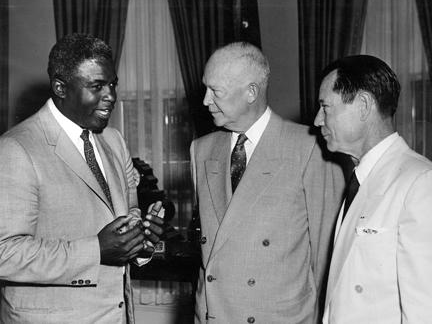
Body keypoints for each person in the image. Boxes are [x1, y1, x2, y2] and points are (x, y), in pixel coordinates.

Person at [0, 33, 164, 324]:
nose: (111, 96)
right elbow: (5, 253)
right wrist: (96, 250)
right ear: (61, 88)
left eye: (113, 84)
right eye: (97, 86)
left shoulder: (114, 141)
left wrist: (143, 240)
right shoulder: (16, 148)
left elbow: (129, 217)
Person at [190, 42, 344, 323]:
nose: (205, 101)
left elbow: (327, 257)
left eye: (216, 92)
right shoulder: (201, 150)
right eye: (205, 88)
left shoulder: (310, 148)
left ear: (251, 92)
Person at [314, 55, 432, 323]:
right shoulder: (359, 180)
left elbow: (424, 312)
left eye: (325, 107)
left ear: (364, 105)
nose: (317, 120)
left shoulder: (420, 182)